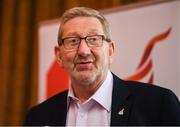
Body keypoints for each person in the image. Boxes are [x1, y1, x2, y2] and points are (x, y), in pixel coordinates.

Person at [24, 7, 180, 126]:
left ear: (110, 51)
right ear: (59, 56)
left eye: (93, 39)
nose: (84, 51)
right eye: (73, 41)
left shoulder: (159, 104)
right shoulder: (38, 117)